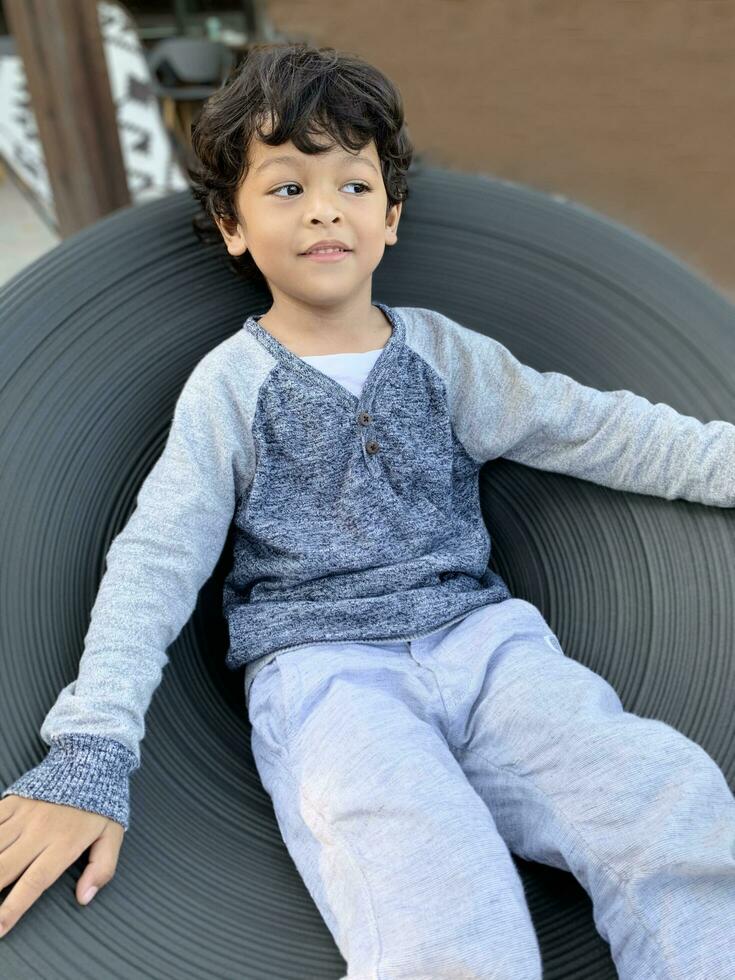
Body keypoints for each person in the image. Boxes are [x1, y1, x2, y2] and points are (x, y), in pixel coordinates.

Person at [1, 40, 734, 977]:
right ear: (233, 224)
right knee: (431, 882)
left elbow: (596, 429)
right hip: (326, 679)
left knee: (663, 805)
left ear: (390, 217)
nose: (323, 211)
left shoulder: (444, 357)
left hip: (488, 648)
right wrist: (92, 749)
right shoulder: (231, 388)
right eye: (286, 188)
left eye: (351, 185)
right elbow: (154, 561)